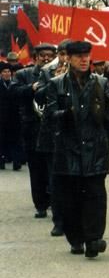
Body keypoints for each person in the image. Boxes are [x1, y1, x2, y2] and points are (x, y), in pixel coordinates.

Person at [44, 41, 109, 258]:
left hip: (95, 150)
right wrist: (66, 114)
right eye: (79, 56)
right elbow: (49, 117)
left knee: (96, 197)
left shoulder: (101, 82)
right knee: (70, 199)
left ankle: (93, 239)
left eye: (87, 56)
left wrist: (107, 109)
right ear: (69, 58)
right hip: (69, 150)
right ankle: (75, 238)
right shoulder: (57, 84)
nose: (84, 60)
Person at [11, 43, 56, 213]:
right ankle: (41, 204)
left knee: (54, 167)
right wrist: (32, 87)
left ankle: (55, 200)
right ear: (36, 57)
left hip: (53, 129)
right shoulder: (24, 74)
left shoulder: (59, 74)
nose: (46, 59)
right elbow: (13, 92)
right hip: (32, 128)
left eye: (50, 56)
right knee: (36, 168)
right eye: (43, 55)